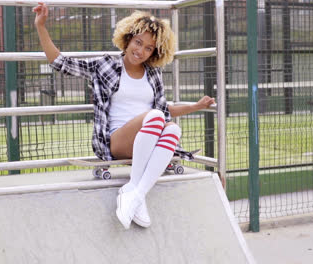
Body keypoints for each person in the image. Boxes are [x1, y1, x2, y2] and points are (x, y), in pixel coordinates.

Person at [33, 3, 215, 229]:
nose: (141, 50)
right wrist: (41, 26)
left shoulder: (153, 74)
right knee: (157, 117)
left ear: (155, 53)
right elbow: (60, 63)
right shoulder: (107, 64)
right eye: (138, 42)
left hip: (148, 135)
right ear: (127, 39)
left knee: (173, 129)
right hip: (116, 141)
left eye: (149, 48)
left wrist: (196, 106)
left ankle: (135, 194)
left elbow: (164, 110)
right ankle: (135, 192)